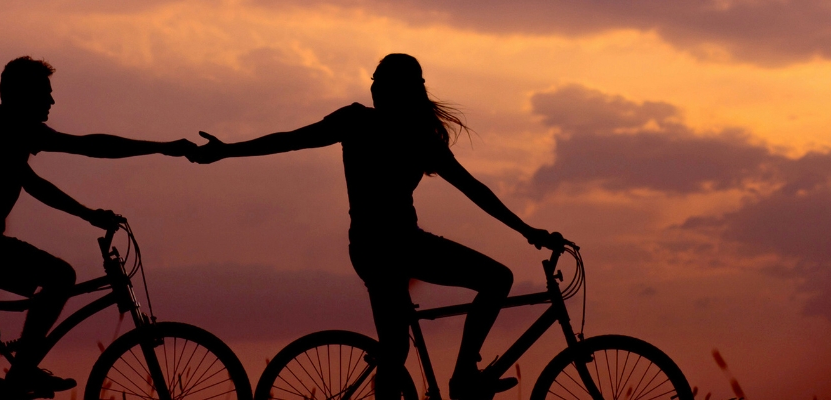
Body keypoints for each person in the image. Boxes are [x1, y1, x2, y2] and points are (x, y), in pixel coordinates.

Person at [187, 53, 567, 400]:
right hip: (399, 246)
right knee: (496, 279)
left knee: (395, 350)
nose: (373, 87)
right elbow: (289, 141)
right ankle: (464, 375)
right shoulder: (390, 130)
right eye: (374, 80)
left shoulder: (384, 129)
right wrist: (527, 231)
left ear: (399, 90)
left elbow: (474, 189)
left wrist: (526, 229)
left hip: (371, 248)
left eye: (381, 81)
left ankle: (447, 379)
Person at [0, 56, 195, 397]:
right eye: (44, 93)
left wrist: (88, 213)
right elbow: (87, 147)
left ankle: (12, 374)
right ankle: (22, 371)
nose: (52, 101)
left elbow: (34, 182)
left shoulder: (1, 127)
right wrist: (162, 148)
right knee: (59, 277)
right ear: (22, 95)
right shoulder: (6, 127)